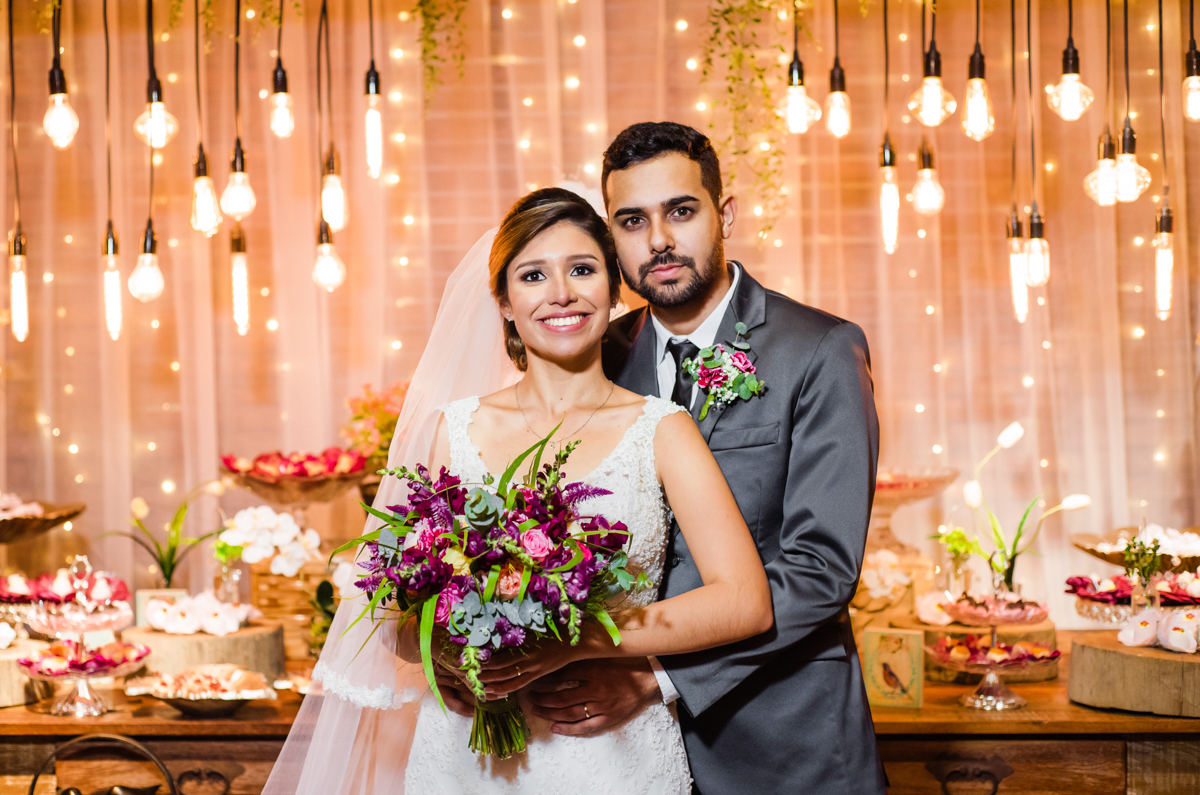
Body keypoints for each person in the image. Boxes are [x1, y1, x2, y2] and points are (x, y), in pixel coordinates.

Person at [266, 185, 771, 795]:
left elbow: (744, 599)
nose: (561, 293)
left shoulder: (662, 429)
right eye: (533, 275)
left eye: (582, 270)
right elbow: (390, 612)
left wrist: (573, 642)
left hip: (609, 756)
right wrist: (442, 653)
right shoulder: (448, 430)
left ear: (614, 291)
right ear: (504, 302)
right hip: (463, 760)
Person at [517, 122, 887, 794]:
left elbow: (821, 569)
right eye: (632, 221)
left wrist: (658, 677)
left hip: (779, 745)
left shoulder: (820, 351)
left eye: (680, 212)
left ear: (725, 214)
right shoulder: (597, 354)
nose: (657, 240)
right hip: (615, 752)